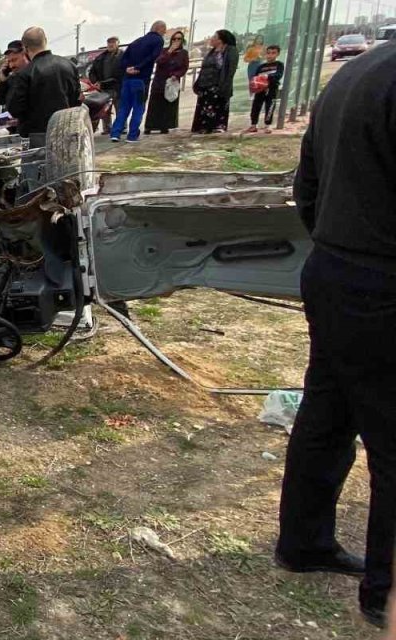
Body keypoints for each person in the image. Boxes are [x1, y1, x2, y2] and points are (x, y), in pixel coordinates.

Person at [276, 39, 396, 630]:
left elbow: (308, 184)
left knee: (325, 414)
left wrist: (336, 244)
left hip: (333, 267)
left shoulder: (355, 73)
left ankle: (303, 541)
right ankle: (385, 592)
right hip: (383, 278)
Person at [5, 27, 82, 139]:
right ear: (45, 40)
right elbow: (76, 99)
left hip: (37, 138)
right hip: (66, 133)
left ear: (25, 48)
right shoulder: (69, 65)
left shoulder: (25, 74)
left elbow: (14, 108)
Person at [109, 21, 167, 142]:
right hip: (141, 80)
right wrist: (138, 68)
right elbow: (152, 57)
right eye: (164, 29)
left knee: (124, 107)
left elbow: (123, 59)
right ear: (158, 28)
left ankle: (115, 133)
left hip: (127, 79)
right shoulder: (158, 40)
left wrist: (128, 69)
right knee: (138, 107)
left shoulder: (136, 41)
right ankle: (132, 135)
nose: (165, 32)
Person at [191, 29, 240, 134]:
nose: (212, 39)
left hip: (218, 84)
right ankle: (203, 127)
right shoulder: (211, 52)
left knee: (217, 105)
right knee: (205, 106)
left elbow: (229, 69)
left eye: (215, 37)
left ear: (221, 40)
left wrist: (224, 85)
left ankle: (216, 126)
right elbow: (204, 68)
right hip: (205, 84)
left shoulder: (230, 51)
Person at [144, 31, 190, 134]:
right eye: (174, 39)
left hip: (172, 82)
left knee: (168, 104)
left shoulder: (183, 53)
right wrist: (170, 51)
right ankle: (150, 126)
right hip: (160, 81)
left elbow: (184, 67)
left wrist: (176, 75)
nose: (176, 41)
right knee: (155, 103)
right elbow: (159, 61)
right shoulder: (164, 51)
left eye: (179, 39)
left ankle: (164, 126)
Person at [87, 37, 123, 134]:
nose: (111, 45)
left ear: (118, 44)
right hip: (104, 88)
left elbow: (123, 72)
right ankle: (107, 128)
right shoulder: (100, 58)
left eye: (113, 43)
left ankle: (122, 127)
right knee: (105, 110)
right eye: (109, 43)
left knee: (120, 108)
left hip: (118, 87)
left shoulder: (123, 56)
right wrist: (95, 82)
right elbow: (92, 72)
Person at [245, 45, 284, 133]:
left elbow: (278, 75)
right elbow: (256, 77)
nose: (270, 55)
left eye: (273, 53)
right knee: (256, 106)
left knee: (270, 106)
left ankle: (267, 125)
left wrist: (267, 77)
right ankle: (253, 125)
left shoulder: (279, 65)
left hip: (272, 89)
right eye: (268, 53)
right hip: (260, 90)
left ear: (277, 54)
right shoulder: (261, 66)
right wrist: (256, 83)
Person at [0, 40, 29, 135]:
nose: (12, 65)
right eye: (9, 61)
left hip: (31, 133)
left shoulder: (33, 76)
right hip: (15, 133)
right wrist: (3, 80)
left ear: (25, 55)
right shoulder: (12, 79)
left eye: (14, 60)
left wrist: (20, 121)